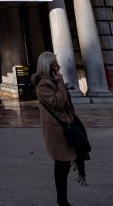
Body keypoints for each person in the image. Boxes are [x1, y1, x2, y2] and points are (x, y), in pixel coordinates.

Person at [33, 51, 86, 206]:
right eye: (55, 64)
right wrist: (61, 84)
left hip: (64, 126)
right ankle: (62, 201)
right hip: (57, 131)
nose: (59, 66)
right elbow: (57, 102)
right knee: (62, 166)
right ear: (47, 66)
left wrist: (59, 84)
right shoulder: (43, 85)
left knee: (63, 165)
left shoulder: (52, 82)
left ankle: (62, 200)